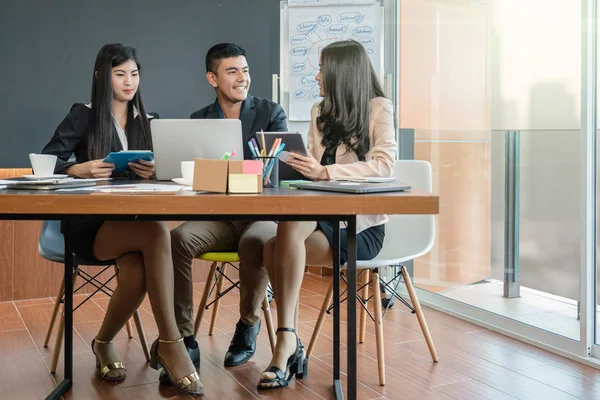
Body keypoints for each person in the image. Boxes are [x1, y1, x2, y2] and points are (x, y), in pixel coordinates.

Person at [41, 43, 204, 396]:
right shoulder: (82, 115)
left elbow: (170, 175)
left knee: (136, 272)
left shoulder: (149, 120)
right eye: (120, 75)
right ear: (102, 77)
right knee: (157, 235)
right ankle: (171, 343)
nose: (129, 82)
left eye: (134, 74)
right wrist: (77, 168)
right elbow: (45, 161)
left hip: (134, 222)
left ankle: (102, 343)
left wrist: (156, 170)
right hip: (90, 226)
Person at [258, 39, 397, 390]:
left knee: (276, 247)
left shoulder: (379, 108)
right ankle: (288, 338)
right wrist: (298, 167)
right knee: (280, 237)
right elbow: (315, 167)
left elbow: (384, 165)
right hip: (321, 213)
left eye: (322, 69)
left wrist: (325, 173)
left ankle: (287, 344)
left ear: (340, 73)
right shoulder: (321, 112)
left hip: (361, 227)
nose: (317, 76)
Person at [169, 43, 287, 370]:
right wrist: (246, 171)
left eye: (245, 70)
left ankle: (247, 327)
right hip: (218, 219)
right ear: (212, 78)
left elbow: (272, 172)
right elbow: (195, 176)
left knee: (257, 242)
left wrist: (222, 173)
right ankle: (184, 337)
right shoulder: (199, 120)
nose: (242, 78)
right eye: (232, 71)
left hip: (260, 217)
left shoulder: (270, 113)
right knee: (177, 239)